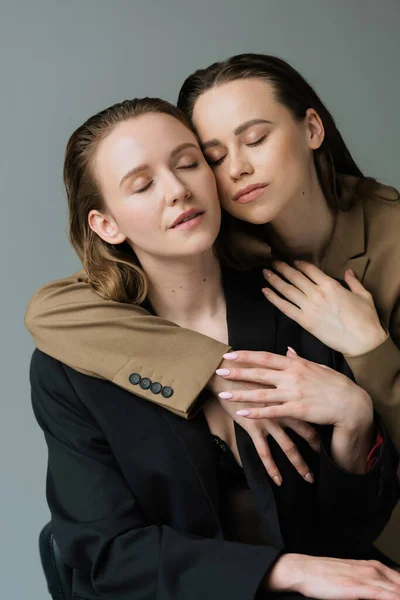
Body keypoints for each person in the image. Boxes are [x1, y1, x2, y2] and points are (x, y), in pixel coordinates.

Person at [25, 54, 400, 561]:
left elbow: (342, 514)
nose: (236, 169)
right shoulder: (234, 244)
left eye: (256, 139)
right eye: (214, 155)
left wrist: (370, 360)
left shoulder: (351, 264)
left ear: (313, 127)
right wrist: (210, 367)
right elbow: (49, 310)